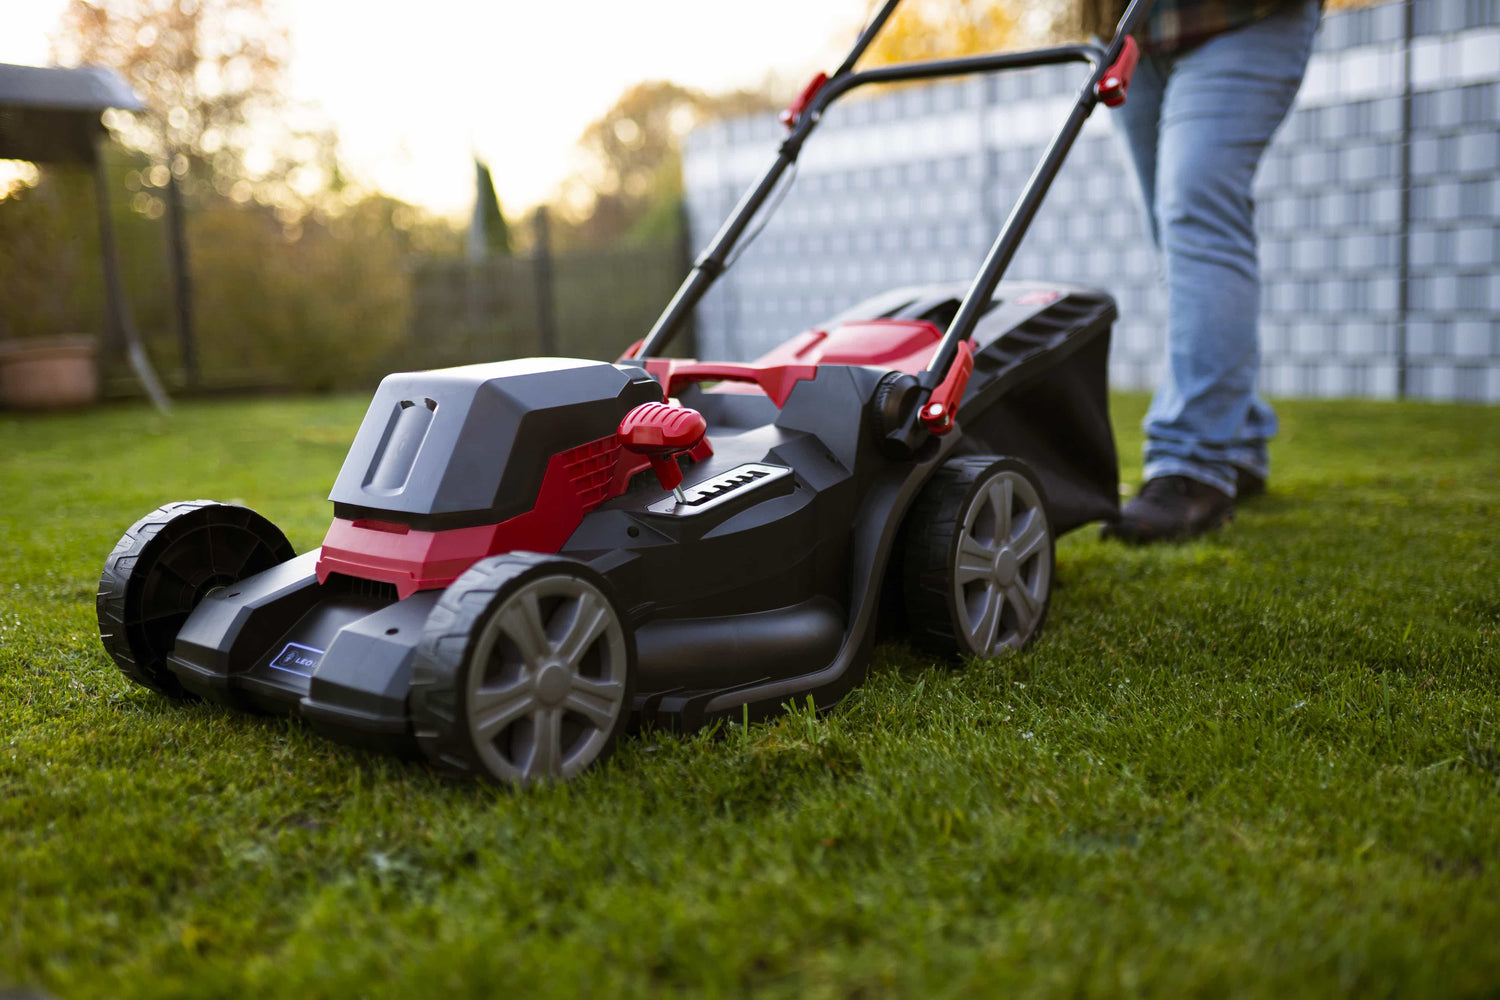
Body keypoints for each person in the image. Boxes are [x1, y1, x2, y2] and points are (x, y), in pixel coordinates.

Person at [1080, 0, 1323, 542]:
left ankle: (1192, 462)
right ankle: (1237, 438)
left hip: (1241, 14)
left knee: (1196, 210)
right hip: (1126, 29)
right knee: (1174, 239)